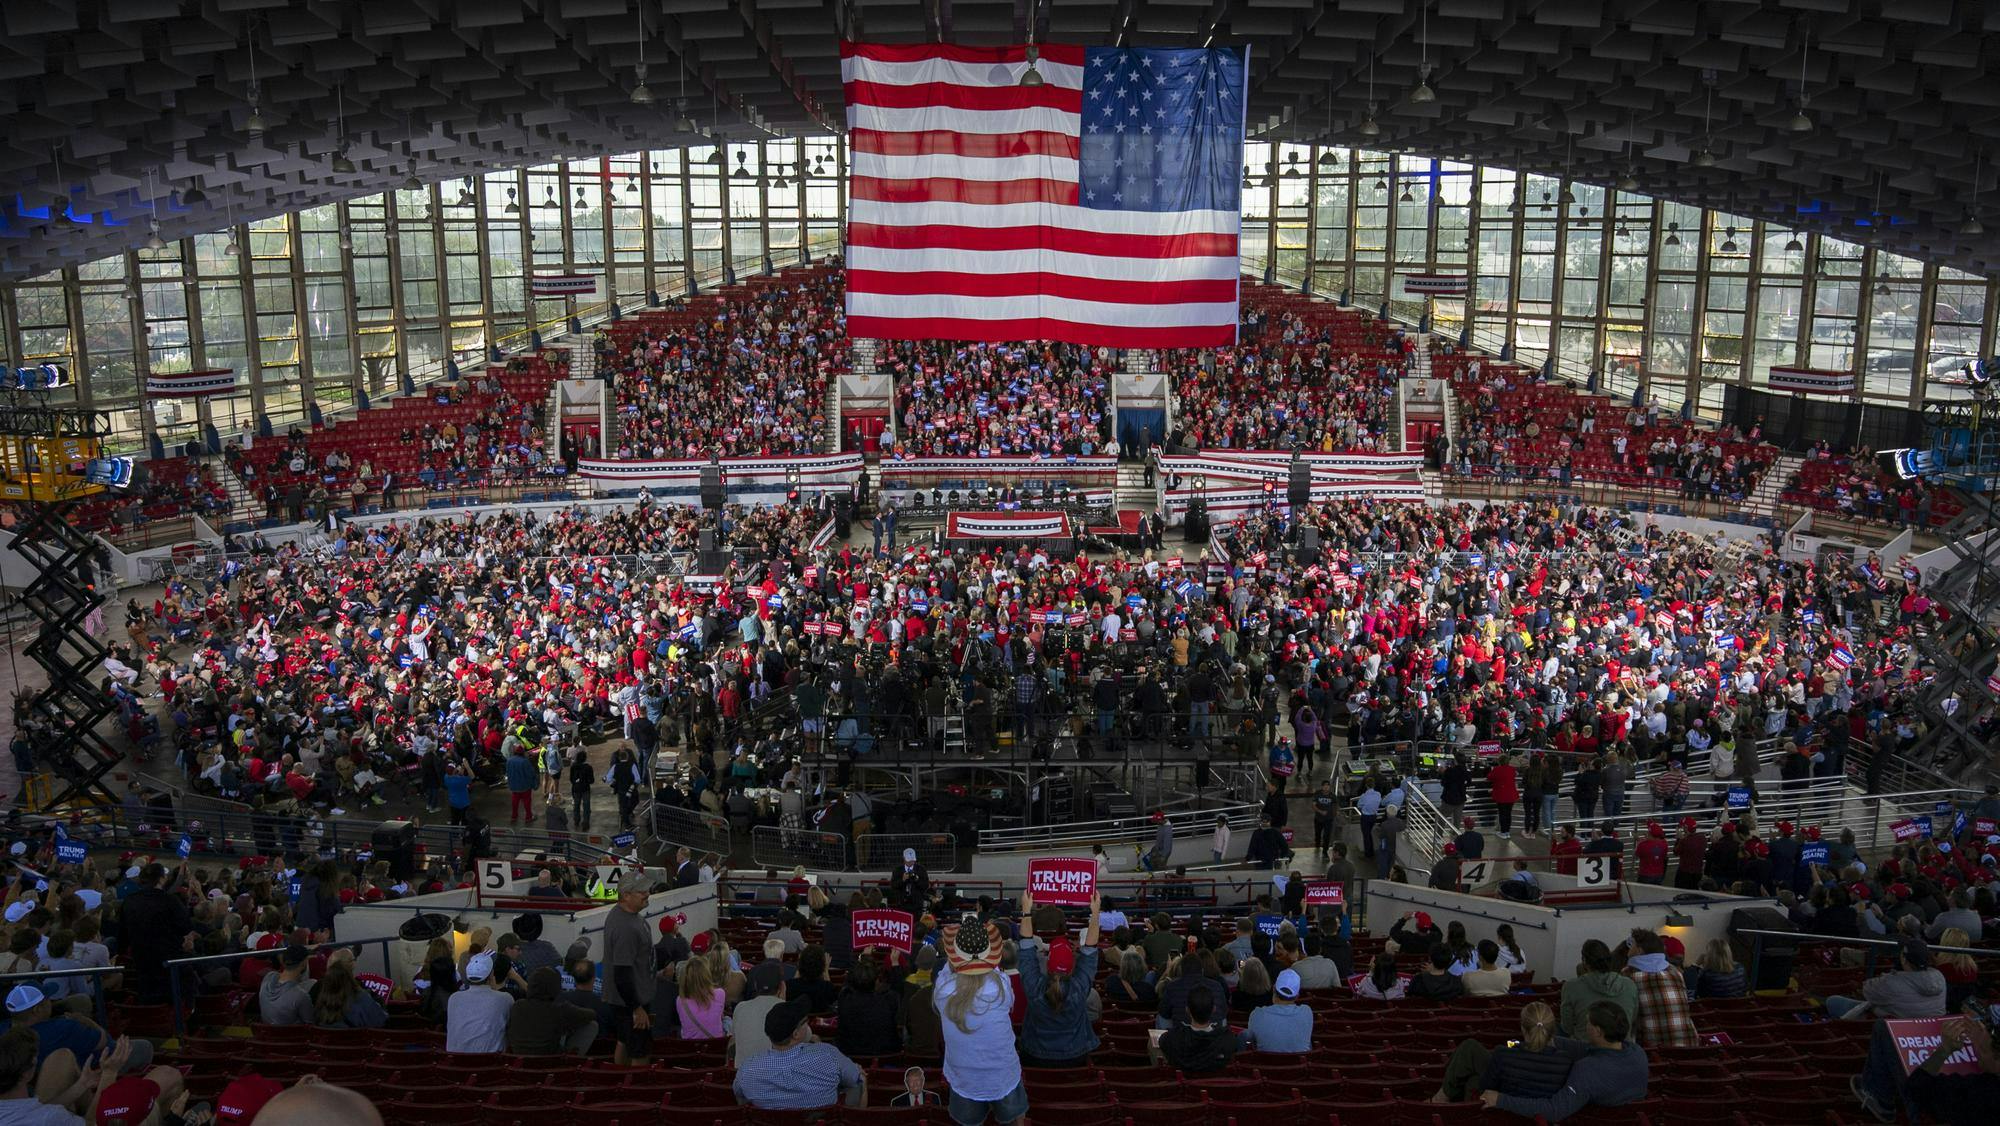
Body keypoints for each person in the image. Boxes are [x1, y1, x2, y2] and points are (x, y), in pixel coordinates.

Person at [1478, 1000, 1650, 1122]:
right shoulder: (1637, 1053)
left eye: (1588, 1023)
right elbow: (1581, 1048)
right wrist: (1537, 1039)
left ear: (1597, 1031)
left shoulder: (1587, 1070)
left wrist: (1500, 1099)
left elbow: (1554, 1110)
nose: (1585, 1025)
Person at [933, 915, 1027, 1126]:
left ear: (954, 956)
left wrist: (956, 959)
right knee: (1014, 1118)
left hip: (963, 1076)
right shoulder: (1002, 985)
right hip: (1003, 1072)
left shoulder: (943, 990)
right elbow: (998, 976)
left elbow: (944, 973)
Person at [1016, 891, 1101, 1067]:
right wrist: (1095, 913)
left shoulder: (1034, 987)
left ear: (1047, 963)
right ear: (1072, 966)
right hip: (1074, 1056)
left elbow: (1025, 947)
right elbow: (1091, 950)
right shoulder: (1079, 987)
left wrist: (1026, 911)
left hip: (1034, 1054)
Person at [732, 999, 866, 1110]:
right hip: (820, 1120)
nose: (807, 1025)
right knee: (861, 1079)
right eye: (805, 1023)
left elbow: (739, 1094)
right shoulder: (827, 1054)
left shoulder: (748, 1069)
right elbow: (855, 1078)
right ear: (796, 1034)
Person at [1436, 1001, 1571, 1102]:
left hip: (1505, 1104)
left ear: (1523, 1029)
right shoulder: (1565, 1060)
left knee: (1470, 1051)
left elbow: (1486, 1085)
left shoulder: (1504, 1054)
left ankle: (1441, 1097)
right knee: (1471, 1072)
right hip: (1534, 1111)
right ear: (1553, 1029)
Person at [602, 871, 660, 1063]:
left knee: (625, 1041)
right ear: (626, 895)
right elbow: (622, 973)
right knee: (639, 1050)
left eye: (647, 889)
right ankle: (635, 1089)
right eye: (641, 891)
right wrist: (636, 1008)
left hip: (631, 998)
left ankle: (620, 1084)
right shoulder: (625, 927)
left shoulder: (629, 915)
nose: (647, 893)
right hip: (630, 1001)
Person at [1825, 934, 1945, 1020]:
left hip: (1894, 1031)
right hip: (1926, 1032)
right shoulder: (1939, 977)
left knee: (1833, 1001)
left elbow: (1867, 991)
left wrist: (1893, 975)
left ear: (1904, 959)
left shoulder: (1892, 982)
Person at [1624, 929, 1698, 1049]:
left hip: (1653, 1050)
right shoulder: (1675, 972)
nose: (1628, 950)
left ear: (1639, 950)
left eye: (1631, 946)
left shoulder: (1628, 974)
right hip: (1689, 1045)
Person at [506, 967, 597, 1056]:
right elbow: (591, 1015)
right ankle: (573, 1059)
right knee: (592, 1025)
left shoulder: (517, 1006)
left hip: (518, 1060)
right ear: (556, 987)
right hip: (550, 1061)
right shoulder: (559, 1008)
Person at [1559, 940, 1637, 1039]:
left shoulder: (1571, 986)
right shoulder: (1630, 985)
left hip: (1584, 1048)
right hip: (1622, 1047)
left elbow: (1567, 1027)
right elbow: (1633, 1019)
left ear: (1584, 961)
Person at [1157, 985, 1237, 1074]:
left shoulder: (1171, 1038)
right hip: (1215, 1084)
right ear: (1213, 1009)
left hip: (1183, 1083)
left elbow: (1162, 1042)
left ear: (1187, 1010)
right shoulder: (1228, 1039)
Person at [444, 953, 513, 1053]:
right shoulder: (505, 998)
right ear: (491, 975)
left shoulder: (454, 998)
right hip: (491, 1063)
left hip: (456, 1061)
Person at [834, 956, 902, 1057]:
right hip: (884, 1054)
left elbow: (847, 984)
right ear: (876, 982)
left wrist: (862, 959)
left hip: (849, 1054)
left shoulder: (844, 999)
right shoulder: (888, 1001)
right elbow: (898, 989)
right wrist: (895, 963)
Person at [1243, 968, 1312, 1053]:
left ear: (1274, 989)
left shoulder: (1257, 1014)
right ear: (1297, 996)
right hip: (1299, 1063)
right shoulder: (1307, 1012)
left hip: (1264, 1065)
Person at [310, 959, 387, 1030]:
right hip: (359, 1043)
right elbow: (381, 1021)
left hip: (328, 1043)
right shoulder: (361, 998)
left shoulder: (320, 1003)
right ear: (350, 978)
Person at [256, 945, 315, 1026]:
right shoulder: (301, 996)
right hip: (292, 1037)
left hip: (266, 1034)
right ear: (304, 963)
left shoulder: (268, 977)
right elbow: (310, 1023)